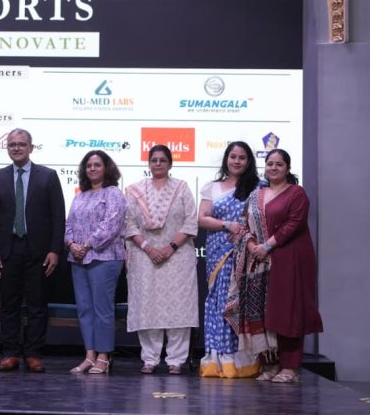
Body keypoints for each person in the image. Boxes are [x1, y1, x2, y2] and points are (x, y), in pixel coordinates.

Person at [225, 149, 323, 383]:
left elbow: (294, 223)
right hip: (258, 261)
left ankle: (290, 367)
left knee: (288, 310)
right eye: (270, 164)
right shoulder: (257, 194)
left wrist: (267, 246)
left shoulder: (296, 193)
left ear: (287, 168)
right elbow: (243, 224)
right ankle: (270, 363)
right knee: (261, 311)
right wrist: (251, 246)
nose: (274, 168)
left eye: (279, 164)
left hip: (290, 257)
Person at [0, 128, 66, 373]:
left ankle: (33, 354)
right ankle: (10, 354)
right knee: (9, 305)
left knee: (37, 305)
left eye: (21, 144)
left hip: (39, 251)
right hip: (7, 251)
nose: (17, 148)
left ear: (31, 147)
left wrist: (55, 250)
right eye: (12, 144)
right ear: (7, 148)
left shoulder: (48, 176)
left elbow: (58, 216)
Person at [124, 144, 199, 375]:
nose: (158, 164)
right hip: (144, 256)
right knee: (148, 307)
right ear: (149, 163)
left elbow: (191, 221)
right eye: (154, 160)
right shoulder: (134, 190)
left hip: (178, 255)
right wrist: (148, 248)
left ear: (170, 164)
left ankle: (176, 360)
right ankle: (150, 358)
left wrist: (170, 247)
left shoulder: (182, 188)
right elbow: (129, 224)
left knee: (179, 308)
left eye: (162, 160)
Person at [197, 141, 260, 378]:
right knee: (219, 302)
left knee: (243, 303)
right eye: (233, 157)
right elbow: (202, 218)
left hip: (247, 252)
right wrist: (227, 225)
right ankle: (220, 359)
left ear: (248, 161)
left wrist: (244, 232)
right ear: (226, 159)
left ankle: (243, 359)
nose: (237, 161)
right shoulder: (212, 187)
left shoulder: (258, 188)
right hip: (219, 253)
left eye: (242, 157)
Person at [63, 150, 127, 375]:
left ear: (106, 168)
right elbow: (68, 224)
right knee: (84, 309)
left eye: (97, 165)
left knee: (102, 309)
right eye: (89, 165)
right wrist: (71, 244)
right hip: (77, 258)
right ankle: (89, 355)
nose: (92, 168)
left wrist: (87, 245)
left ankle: (103, 357)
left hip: (105, 257)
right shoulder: (80, 196)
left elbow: (111, 225)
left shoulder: (114, 194)